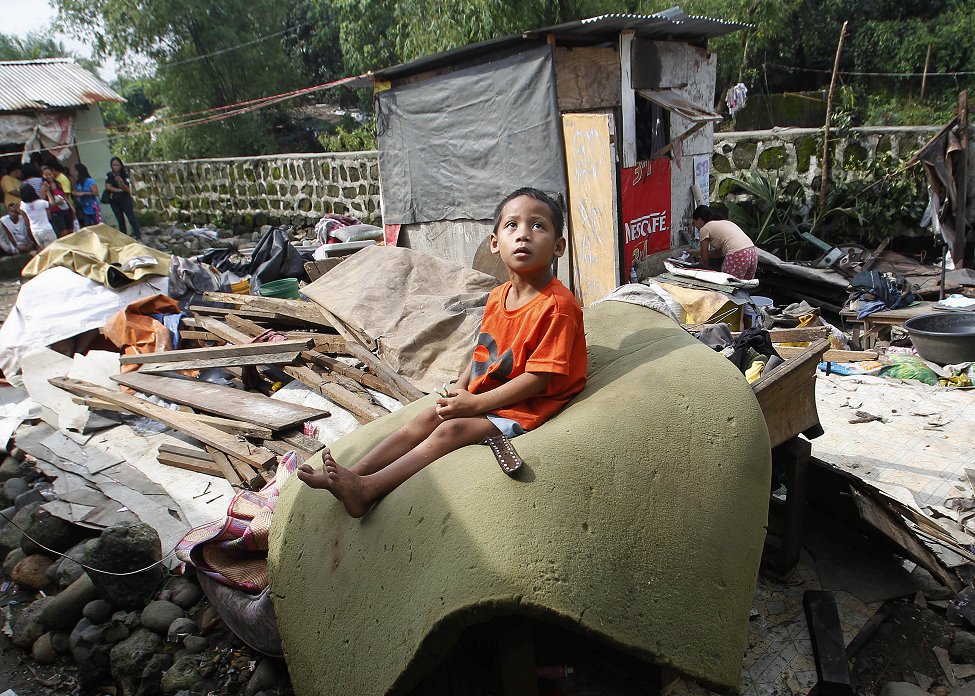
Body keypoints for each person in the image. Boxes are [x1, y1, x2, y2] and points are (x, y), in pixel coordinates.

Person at [297, 187, 588, 518]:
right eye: (512, 225)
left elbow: (540, 377)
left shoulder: (558, 306)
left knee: (452, 429)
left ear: (559, 246)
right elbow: (485, 351)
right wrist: (462, 387)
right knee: (427, 416)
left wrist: (475, 404)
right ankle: (354, 474)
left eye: (538, 226)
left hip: (529, 405)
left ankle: (368, 489)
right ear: (495, 243)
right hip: (493, 394)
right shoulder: (498, 296)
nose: (523, 234)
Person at [691, 205, 758, 281]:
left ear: (699, 220)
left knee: (727, 284)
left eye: (694, 222)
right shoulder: (724, 223)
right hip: (752, 252)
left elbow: (704, 260)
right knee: (745, 285)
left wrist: (697, 275)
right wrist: (696, 252)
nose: (694, 226)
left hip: (738, 255)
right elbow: (718, 253)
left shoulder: (704, 229)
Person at [105, 157, 141, 239]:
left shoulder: (125, 176)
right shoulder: (109, 175)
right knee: (120, 220)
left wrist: (121, 182)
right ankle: (124, 238)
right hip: (114, 200)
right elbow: (108, 186)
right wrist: (118, 190)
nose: (115, 167)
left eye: (117, 165)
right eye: (113, 165)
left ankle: (138, 236)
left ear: (120, 165)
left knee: (131, 218)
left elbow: (128, 189)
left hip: (125, 199)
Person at [19, 182, 57, 250]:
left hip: (35, 231)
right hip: (46, 229)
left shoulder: (23, 205)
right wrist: (47, 191)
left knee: (44, 252)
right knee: (54, 251)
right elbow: (52, 204)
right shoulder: (41, 203)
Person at [42, 164, 74, 236]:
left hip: (66, 209)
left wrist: (71, 207)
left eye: (50, 174)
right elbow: (43, 200)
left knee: (71, 230)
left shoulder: (58, 183)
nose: (49, 176)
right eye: (46, 175)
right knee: (63, 232)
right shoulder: (44, 187)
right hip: (55, 211)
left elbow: (65, 196)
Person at [72, 163, 101, 227]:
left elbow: (96, 193)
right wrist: (75, 193)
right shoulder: (78, 182)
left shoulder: (89, 181)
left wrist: (84, 193)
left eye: (75, 170)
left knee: (97, 224)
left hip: (93, 206)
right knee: (88, 225)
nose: (75, 172)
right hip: (84, 206)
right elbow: (78, 191)